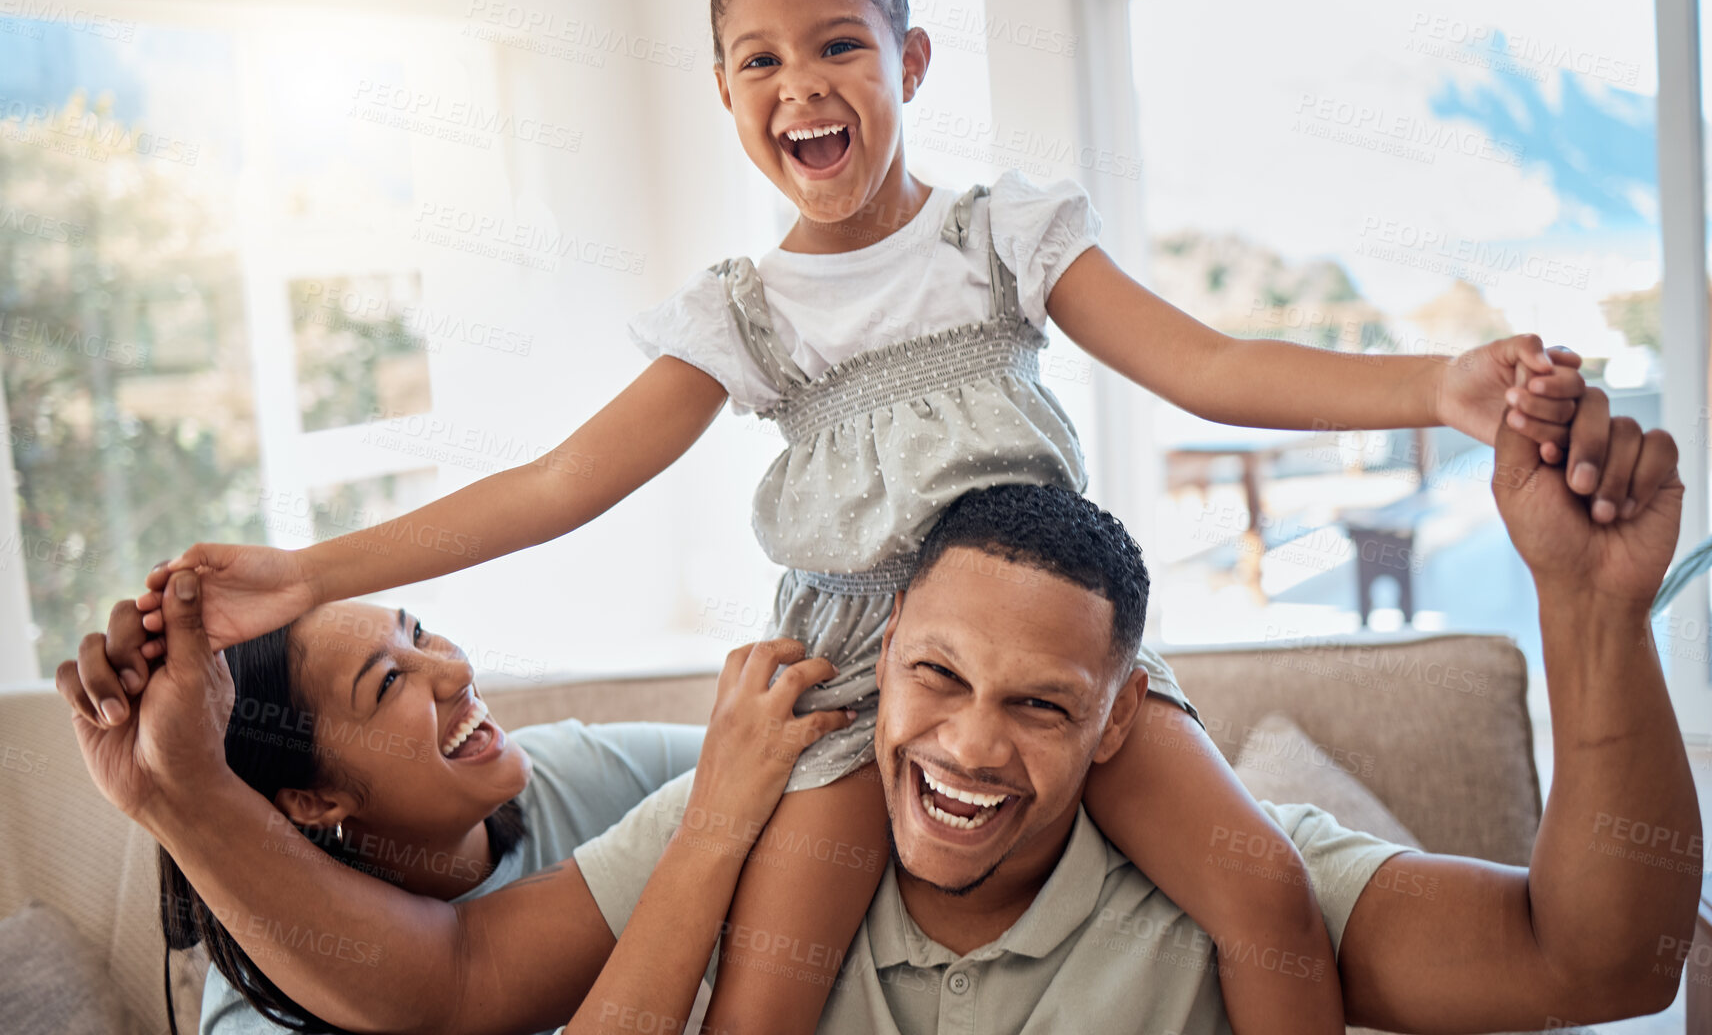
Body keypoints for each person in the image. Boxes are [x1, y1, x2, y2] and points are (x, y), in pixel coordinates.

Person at [109, 0, 1606, 1034]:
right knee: (774, 992)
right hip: (843, 690)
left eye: (839, 45)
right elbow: (559, 486)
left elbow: (1208, 364)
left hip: (1040, 665)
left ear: (911, 58)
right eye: (759, 59)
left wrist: (1440, 386)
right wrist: (306, 570)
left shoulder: (1001, 240)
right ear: (724, 94)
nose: (802, 85)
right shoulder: (747, 318)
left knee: (1265, 886)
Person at [64, 390, 1695, 1033]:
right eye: (935, 677)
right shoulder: (754, 815)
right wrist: (184, 788)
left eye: (1043, 702)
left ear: (1131, 715)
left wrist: (1591, 612)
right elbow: (465, 973)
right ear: (869, 658)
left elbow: (1603, 955)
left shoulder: (1218, 872)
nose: (972, 744)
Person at [148, 601, 704, 1033]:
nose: (456, 667)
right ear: (316, 801)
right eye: (388, 681)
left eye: (416, 633)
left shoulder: (571, 773)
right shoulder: (268, 1017)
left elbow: (771, 761)